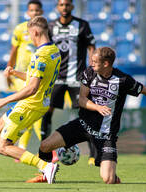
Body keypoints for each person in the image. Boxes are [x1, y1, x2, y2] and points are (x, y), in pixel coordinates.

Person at [37, 47, 146, 184]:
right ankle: (45, 175)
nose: (92, 63)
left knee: (108, 179)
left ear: (106, 64)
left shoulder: (123, 80)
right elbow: (82, 100)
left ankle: (113, 175)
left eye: (95, 62)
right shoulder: (89, 72)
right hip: (82, 125)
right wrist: (97, 107)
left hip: (106, 135)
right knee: (45, 146)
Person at [0, 16, 61, 184]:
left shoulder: (40, 56)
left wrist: (5, 100)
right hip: (38, 103)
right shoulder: (54, 51)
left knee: (3, 146)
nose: (30, 38)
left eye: (30, 34)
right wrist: (16, 73)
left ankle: (45, 166)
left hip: (30, 104)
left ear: (36, 32)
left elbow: (32, 88)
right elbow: (37, 78)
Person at [41, 0, 97, 166]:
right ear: (57, 7)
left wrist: (92, 68)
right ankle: (45, 151)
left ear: (72, 6)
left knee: (86, 113)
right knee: (46, 111)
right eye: (61, 5)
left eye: (67, 4)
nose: (64, 8)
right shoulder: (50, 26)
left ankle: (93, 155)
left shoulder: (82, 25)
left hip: (77, 77)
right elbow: (45, 47)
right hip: (56, 77)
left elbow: (91, 46)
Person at [4, 0, 44, 156]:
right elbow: (14, 51)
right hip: (21, 74)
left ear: (41, 12)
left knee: (29, 109)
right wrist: (9, 69)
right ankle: (25, 146)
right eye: (31, 10)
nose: (34, 13)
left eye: (37, 10)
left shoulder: (46, 30)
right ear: (27, 12)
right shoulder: (20, 29)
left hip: (37, 75)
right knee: (27, 106)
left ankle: (24, 146)